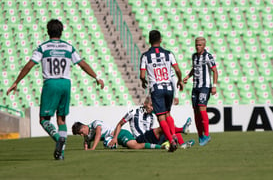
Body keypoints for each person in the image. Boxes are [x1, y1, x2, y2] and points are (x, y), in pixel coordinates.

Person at [6, 19, 104, 160]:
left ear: (48, 31)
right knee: (61, 119)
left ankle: (58, 138)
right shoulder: (68, 47)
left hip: (51, 83)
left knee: (44, 119)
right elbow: (82, 63)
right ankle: (60, 154)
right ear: (61, 31)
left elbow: (29, 65)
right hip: (65, 83)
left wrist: (17, 81)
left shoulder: (43, 47)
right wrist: (96, 77)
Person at [139, 30, 184, 152]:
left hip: (156, 89)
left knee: (161, 117)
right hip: (169, 88)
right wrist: (180, 80)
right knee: (168, 113)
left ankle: (172, 140)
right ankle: (174, 134)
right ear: (160, 40)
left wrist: (143, 82)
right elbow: (178, 70)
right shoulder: (169, 54)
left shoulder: (145, 56)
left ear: (149, 40)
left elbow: (142, 75)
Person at [109, 96, 195, 150]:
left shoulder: (151, 116)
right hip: (140, 138)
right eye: (150, 105)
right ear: (144, 104)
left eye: (153, 106)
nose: (152, 108)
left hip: (150, 138)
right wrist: (115, 138)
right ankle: (182, 129)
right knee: (162, 128)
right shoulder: (133, 112)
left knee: (170, 128)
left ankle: (182, 144)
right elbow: (120, 124)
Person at [183, 37, 218, 146]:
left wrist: (214, 86)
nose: (197, 47)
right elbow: (195, 68)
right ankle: (200, 136)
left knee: (202, 108)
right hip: (195, 87)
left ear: (204, 46)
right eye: (196, 45)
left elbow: (215, 71)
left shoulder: (208, 56)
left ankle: (207, 135)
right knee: (196, 112)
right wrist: (188, 76)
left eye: (199, 45)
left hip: (205, 87)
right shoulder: (194, 56)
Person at [72, 120, 162, 150]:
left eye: (81, 133)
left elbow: (98, 135)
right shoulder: (88, 134)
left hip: (120, 134)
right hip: (116, 138)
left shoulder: (95, 124)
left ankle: (160, 146)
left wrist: (92, 148)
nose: (81, 135)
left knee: (135, 146)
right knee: (134, 145)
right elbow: (86, 141)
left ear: (83, 127)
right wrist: (86, 147)